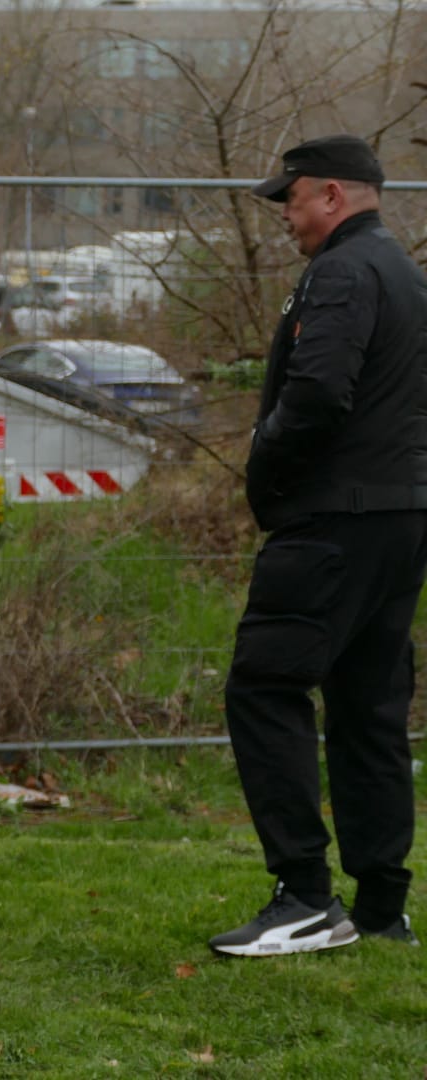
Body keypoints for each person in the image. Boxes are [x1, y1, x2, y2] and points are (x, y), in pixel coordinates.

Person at [210, 134, 427, 957]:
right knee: (369, 708)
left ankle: (303, 895)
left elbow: (318, 395)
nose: (288, 218)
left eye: (292, 200)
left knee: (264, 687)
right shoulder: (404, 273)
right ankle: (381, 905)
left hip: (334, 521)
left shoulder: (341, 273)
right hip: (401, 517)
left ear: (332, 195)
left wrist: (264, 467)